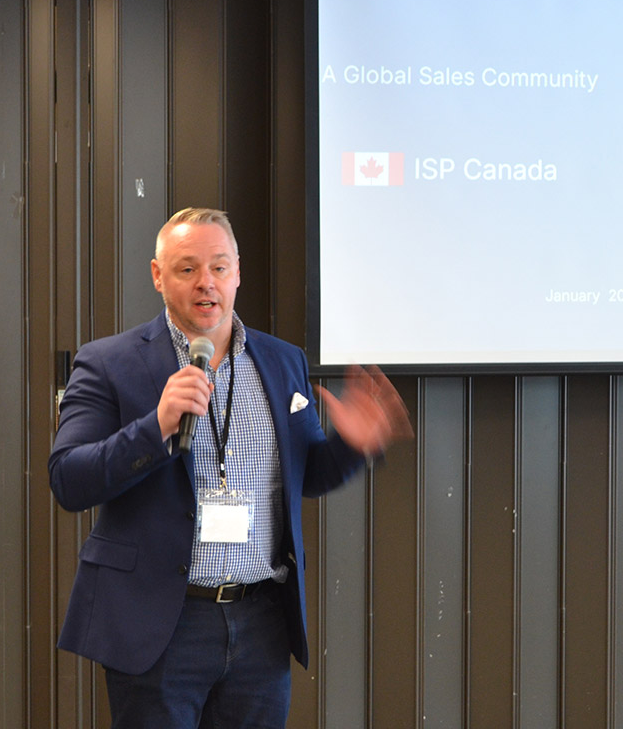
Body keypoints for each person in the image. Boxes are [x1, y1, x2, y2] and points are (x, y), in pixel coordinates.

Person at [49, 207, 411, 728]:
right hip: (161, 622)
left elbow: (306, 476)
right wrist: (155, 426)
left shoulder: (282, 361)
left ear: (238, 272)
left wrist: (351, 445)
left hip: (260, 621)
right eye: (187, 268)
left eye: (219, 267)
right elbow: (69, 478)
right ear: (157, 275)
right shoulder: (109, 362)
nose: (206, 283)